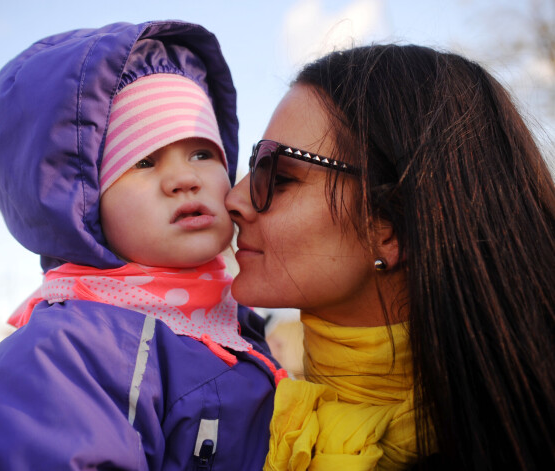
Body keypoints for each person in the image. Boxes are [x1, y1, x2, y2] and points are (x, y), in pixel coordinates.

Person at [0, 21, 281, 470]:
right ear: (82, 202)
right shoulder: (65, 354)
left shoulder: (234, 322)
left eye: (203, 152)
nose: (185, 178)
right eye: (143, 160)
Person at [225, 44, 555, 470]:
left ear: (391, 228)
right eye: (254, 167)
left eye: (281, 177)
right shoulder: (218, 413)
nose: (234, 198)